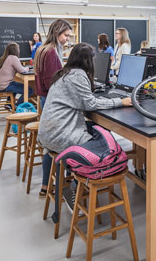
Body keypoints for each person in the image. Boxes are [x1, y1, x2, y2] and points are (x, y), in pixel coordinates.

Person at [37, 43, 132, 198]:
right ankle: (77, 183)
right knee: (106, 145)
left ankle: (73, 175)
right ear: (87, 61)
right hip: (59, 134)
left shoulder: (65, 73)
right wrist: (120, 102)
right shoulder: (79, 75)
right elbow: (90, 104)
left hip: (49, 131)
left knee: (97, 128)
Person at [35, 19, 73, 108]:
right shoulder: (51, 52)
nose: (67, 39)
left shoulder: (44, 48)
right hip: (51, 98)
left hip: (46, 96)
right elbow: (50, 81)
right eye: (66, 35)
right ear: (57, 32)